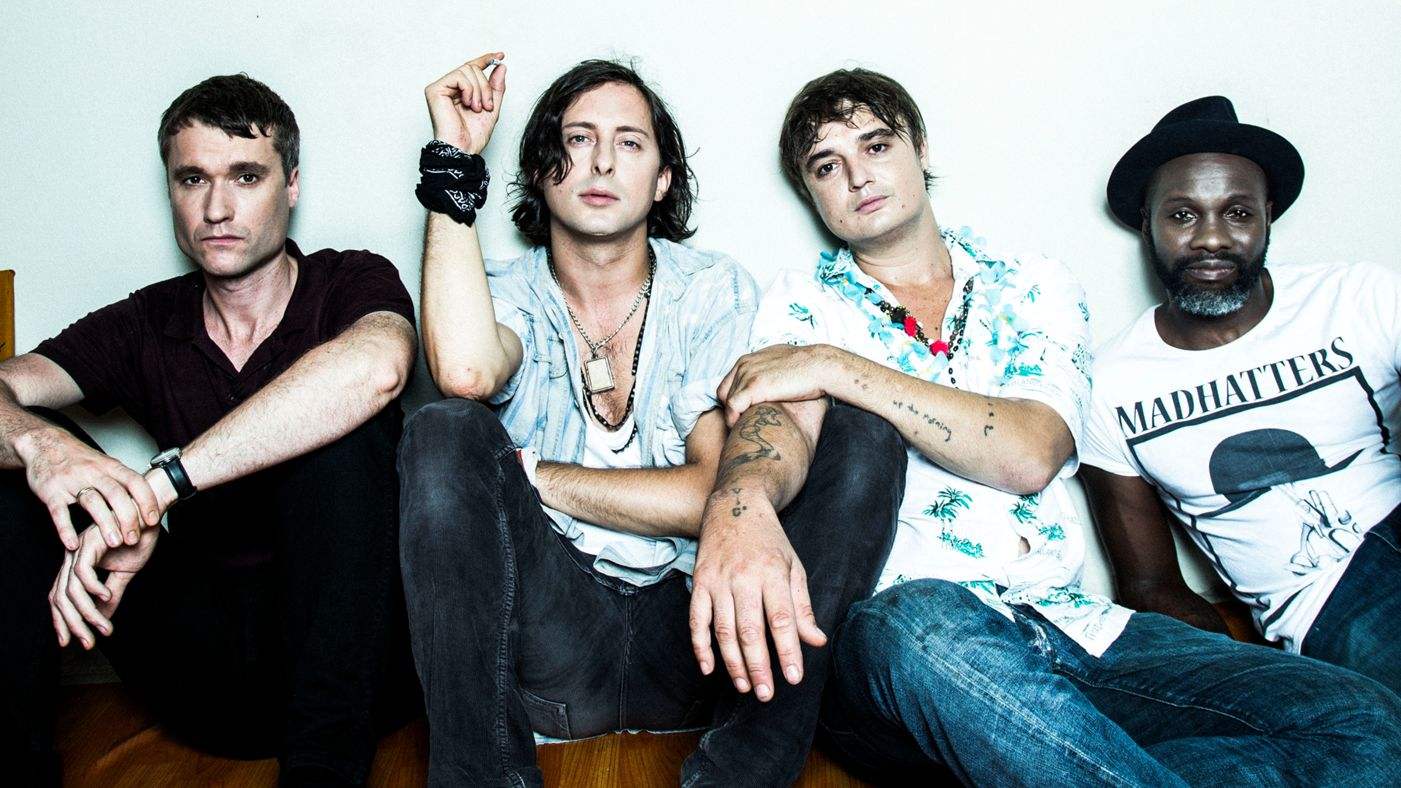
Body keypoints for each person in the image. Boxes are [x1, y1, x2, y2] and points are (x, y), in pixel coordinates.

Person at [691, 72, 1401, 785]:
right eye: (826, 166)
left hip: (1077, 625)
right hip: (909, 641)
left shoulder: (1032, 285)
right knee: (921, 623)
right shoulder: (804, 303)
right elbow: (778, 427)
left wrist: (835, 367)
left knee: (1362, 720)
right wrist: (739, 502)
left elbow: (1031, 452)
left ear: (920, 148)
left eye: (876, 146)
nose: (857, 176)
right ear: (810, 190)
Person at [397, 53, 903, 786]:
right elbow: (466, 374)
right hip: (551, 643)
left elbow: (715, 495)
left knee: (861, 435)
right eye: (577, 139)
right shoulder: (503, 292)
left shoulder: (710, 289)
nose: (602, 162)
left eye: (629, 143)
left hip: (697, 640)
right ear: (539, 169)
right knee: (441, 428)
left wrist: (528, 477)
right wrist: (453, 160)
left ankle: (739, 777)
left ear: (663, 179)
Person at [0, 74, 419, 786]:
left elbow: (377, 368)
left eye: (246, 177)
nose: (217, 208)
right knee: (17, 466)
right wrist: (44, 448)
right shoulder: (145, 321)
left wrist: (161, 484)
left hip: (356, 673)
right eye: (192, 179)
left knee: (343, 438)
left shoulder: (348, 281)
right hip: (205, 672)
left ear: (290, 185)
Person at [1081, 96, 1401, 696]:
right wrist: (1259, 687)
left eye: (1237, 212)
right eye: (1182, 215)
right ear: (1147, 223)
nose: (1212, 239)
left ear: (1267, 217)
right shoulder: (1109, 386)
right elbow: (1149, 587)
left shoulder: (1359, 297)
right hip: (1327, 599)